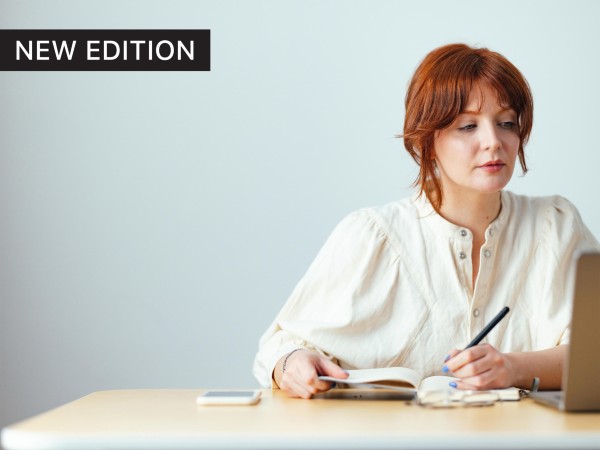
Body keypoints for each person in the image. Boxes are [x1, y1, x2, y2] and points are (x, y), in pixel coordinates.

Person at [252, 43, 600, 399]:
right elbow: (278, 347)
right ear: (428, 139)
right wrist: (292, 363)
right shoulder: (373, 236)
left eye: (506, 123)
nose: (493, 142)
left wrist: (513, 368)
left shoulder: (555, 226)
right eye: (468, 126)